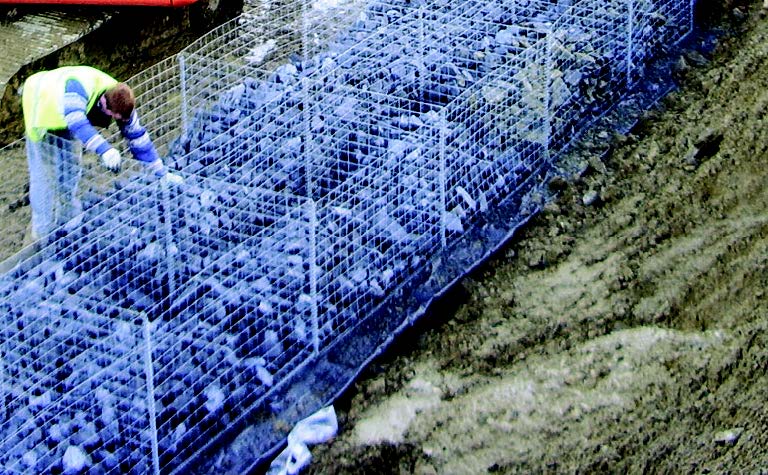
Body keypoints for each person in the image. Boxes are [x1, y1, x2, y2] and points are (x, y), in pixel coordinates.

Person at [20, 65, 183, 242]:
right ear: (106, 108)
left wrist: (161, 173)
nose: (117, 122)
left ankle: (69, 222)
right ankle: (42, 234)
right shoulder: (78, 89)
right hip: (42, 105)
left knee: (71, 166)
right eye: (114, 118)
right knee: (44, 176)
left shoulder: (122, 100)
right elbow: (76, 121)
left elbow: (137, 138)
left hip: (68, 110)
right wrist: (105, 150)